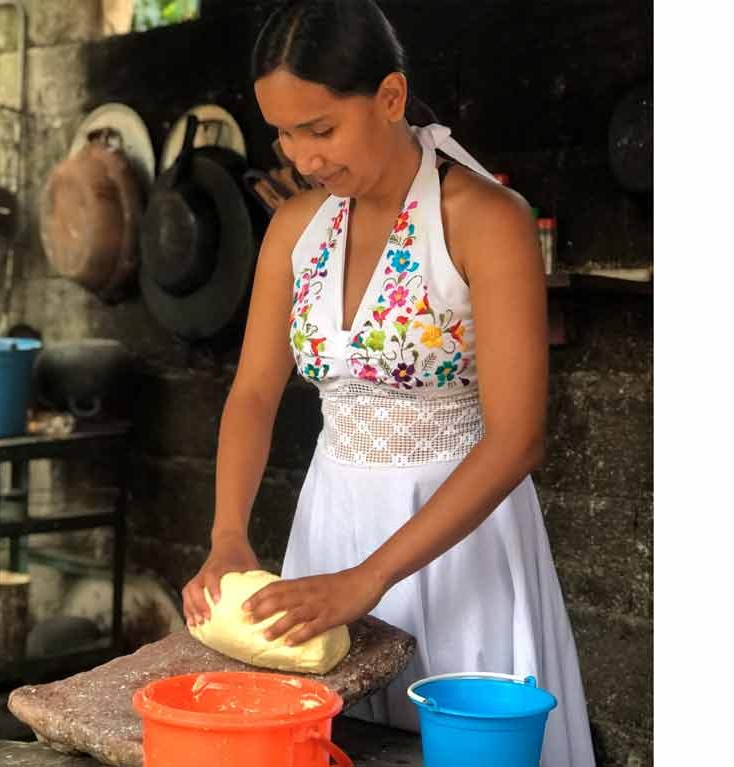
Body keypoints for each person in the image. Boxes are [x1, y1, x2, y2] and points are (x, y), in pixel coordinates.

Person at [181, 1, 596, 764]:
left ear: (391, 98)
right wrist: (228, 535)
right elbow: (253, 393)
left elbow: (517, 438)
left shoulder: (487, 220)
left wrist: (367, 581)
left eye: (321, 129)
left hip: (457, 547)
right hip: (330, 527)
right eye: (283, 133)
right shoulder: (295, 229)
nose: (302, 158)